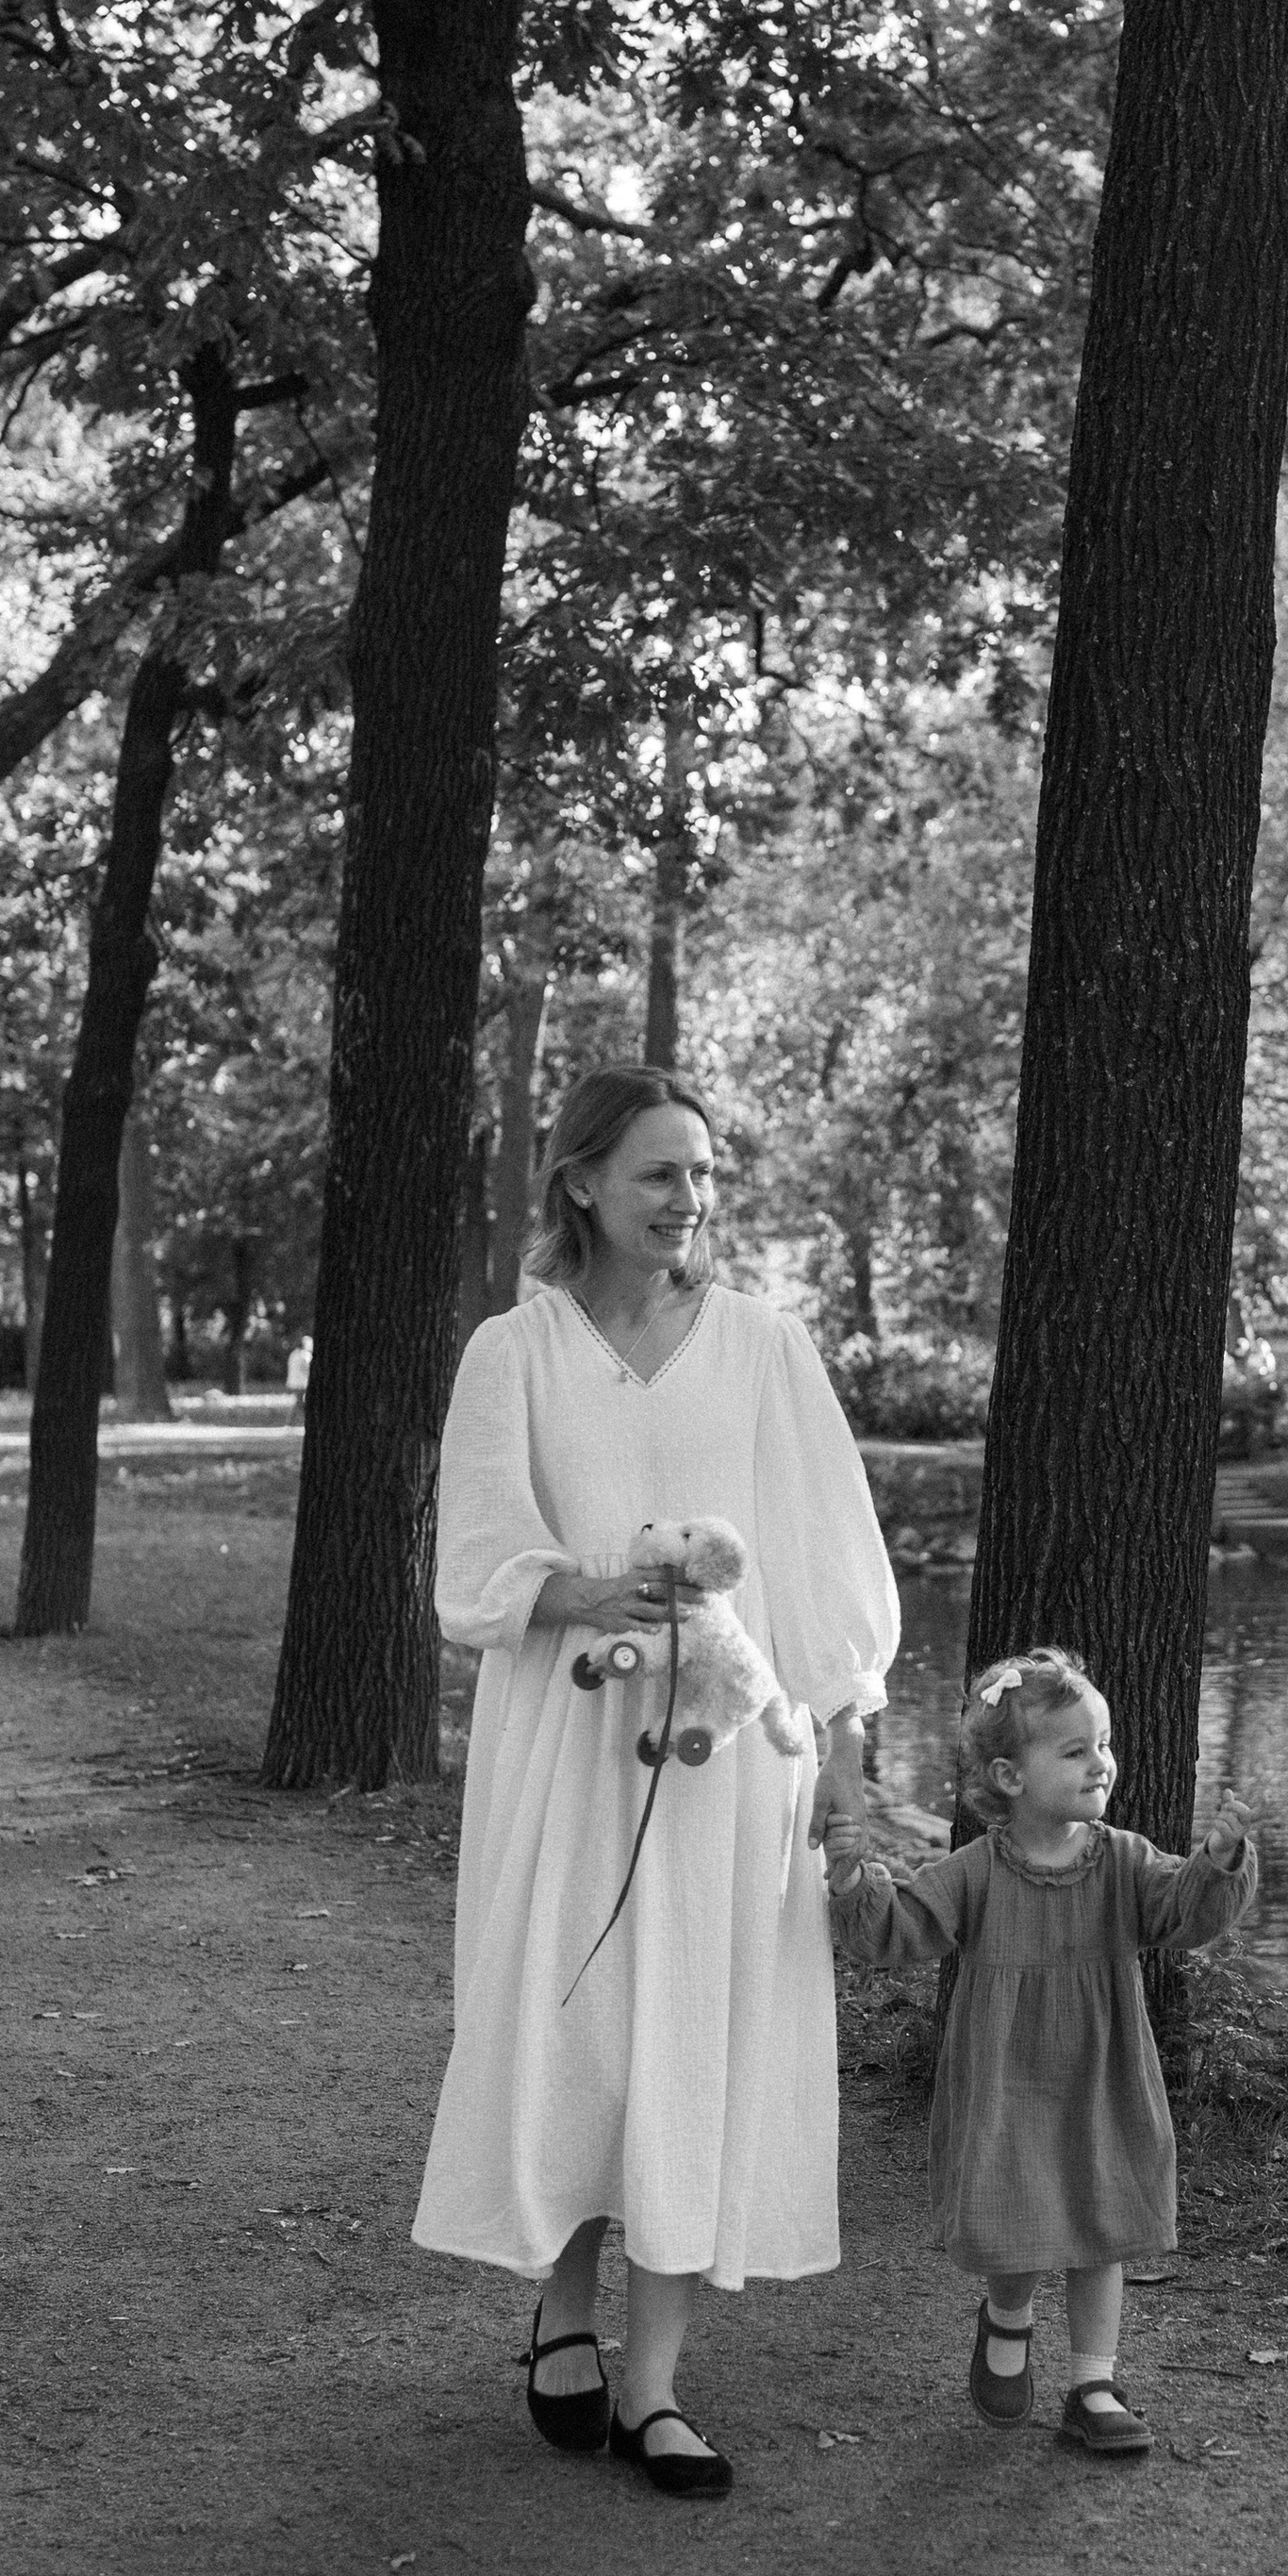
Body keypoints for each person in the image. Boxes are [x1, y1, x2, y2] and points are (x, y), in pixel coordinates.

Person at [412, 1062, 898, 2502]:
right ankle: (560, 2307)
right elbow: (480, 1557)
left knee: (697, 2034)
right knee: (580, 2028)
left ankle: (660, 2382)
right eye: (661, 1174)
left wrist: (846, 1749)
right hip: (565, 1746)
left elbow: (818, 1551)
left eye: (704, 1175)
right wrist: (590, 1588)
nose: (691, 1200)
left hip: (731, 1760)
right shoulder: (517, 1349)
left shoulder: (763, 1345)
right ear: (582, 1183)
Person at [823, 1646, 1257, 2455]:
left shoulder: (1124, 1859)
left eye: (1104, 1744)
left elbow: (1181, 1912)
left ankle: (1094, 2382)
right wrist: (855, 1882)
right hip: (1007, 2078)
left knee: (1103, 2224)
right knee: (1017, 2217)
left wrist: (1218, 1861)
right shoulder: (976, 1871)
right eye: (1075, 1749)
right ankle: (1008, 2314)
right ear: (1010, 1776)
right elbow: (904, 1928)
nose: (1102, 1764)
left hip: (1102, 2075)